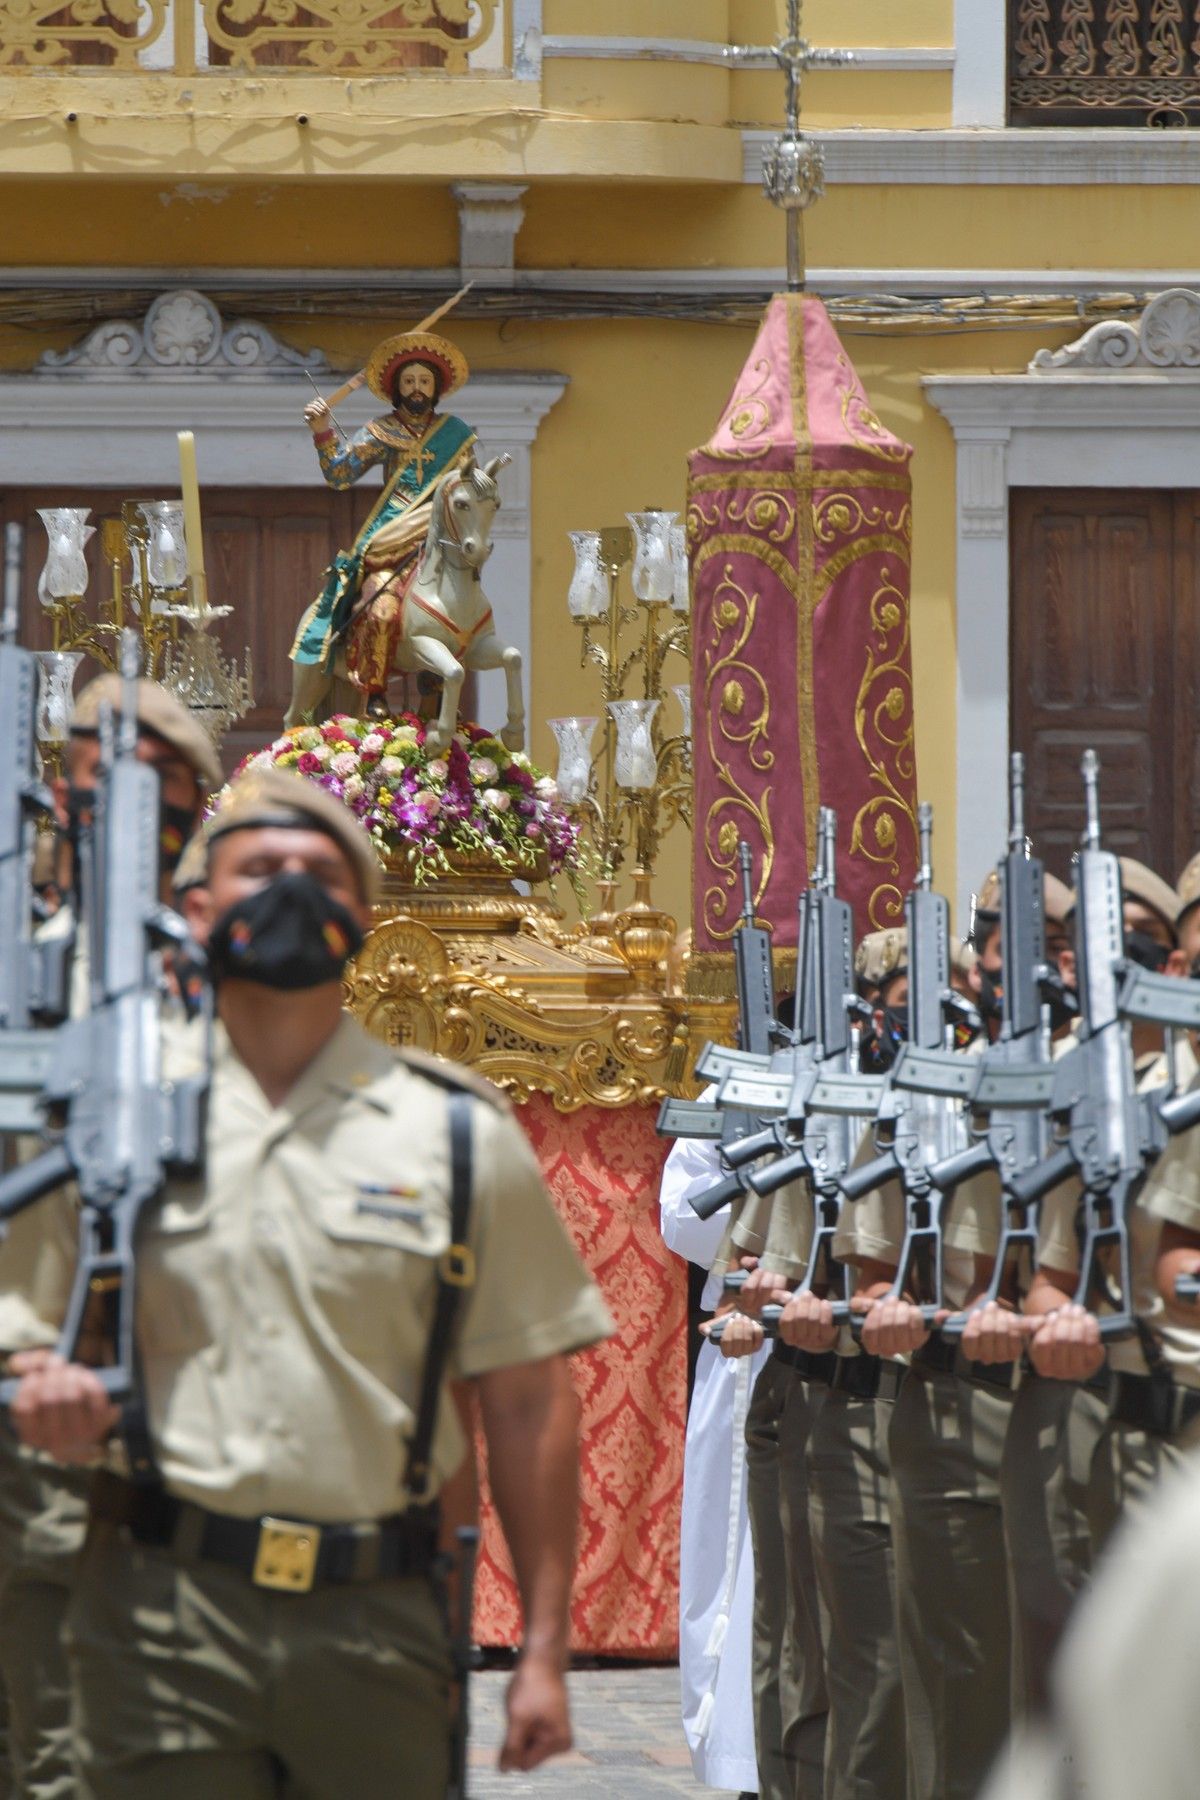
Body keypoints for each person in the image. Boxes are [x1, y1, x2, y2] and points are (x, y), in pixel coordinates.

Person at [9, 767, 613, 1800]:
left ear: (363, 917)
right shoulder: (115, 1118)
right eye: (261, 869)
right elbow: (26, 1323)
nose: (291, 888)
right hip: (165, 1605)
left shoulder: (455, 1131)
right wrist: (39, 1382)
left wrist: (545, 1653)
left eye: (319, 873)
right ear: (196, 911)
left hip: (374, 1619)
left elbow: (525, 1401)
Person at [0, 674, 221, 1800]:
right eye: (91, 782)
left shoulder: (232, 988)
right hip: (28, 1406)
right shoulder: (19, 970)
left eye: (149, 785)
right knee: (39, 1746)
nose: (119, 809)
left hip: (197, 1416)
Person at [289, 328, 476, 715]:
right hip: (393, 539)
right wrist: (322, 431)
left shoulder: (455, 435)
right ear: (397, 387)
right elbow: (340, 475)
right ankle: (374, 690)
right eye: (409, 381)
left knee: (463, 608)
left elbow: (468, 488)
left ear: (436, 386)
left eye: (424, 380)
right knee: (382, 607)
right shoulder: (382, 431)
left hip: (439, 539)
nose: (417, 387)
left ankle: (435, 689)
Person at [660, 1125, 767, 1798]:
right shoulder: (732, 1095)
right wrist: (763, 1204)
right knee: (728, 1557)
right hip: (745, 1334)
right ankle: (745, 1753)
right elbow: (681, 1215)